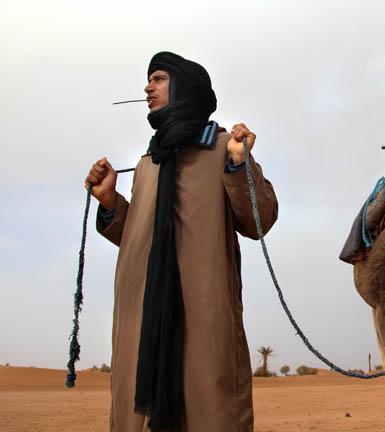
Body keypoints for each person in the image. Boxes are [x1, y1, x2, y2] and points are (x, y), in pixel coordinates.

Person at [84, 51, 278, 431]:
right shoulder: (148, 164)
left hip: (202, 314)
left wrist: (240, 165)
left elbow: (260, 220)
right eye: (148, 80)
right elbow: (142, 240)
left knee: (208, 409)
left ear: (185, 86)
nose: (147, 88)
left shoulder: (224, 149)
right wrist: (109, 203)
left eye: (157, 78)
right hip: (141, 318)